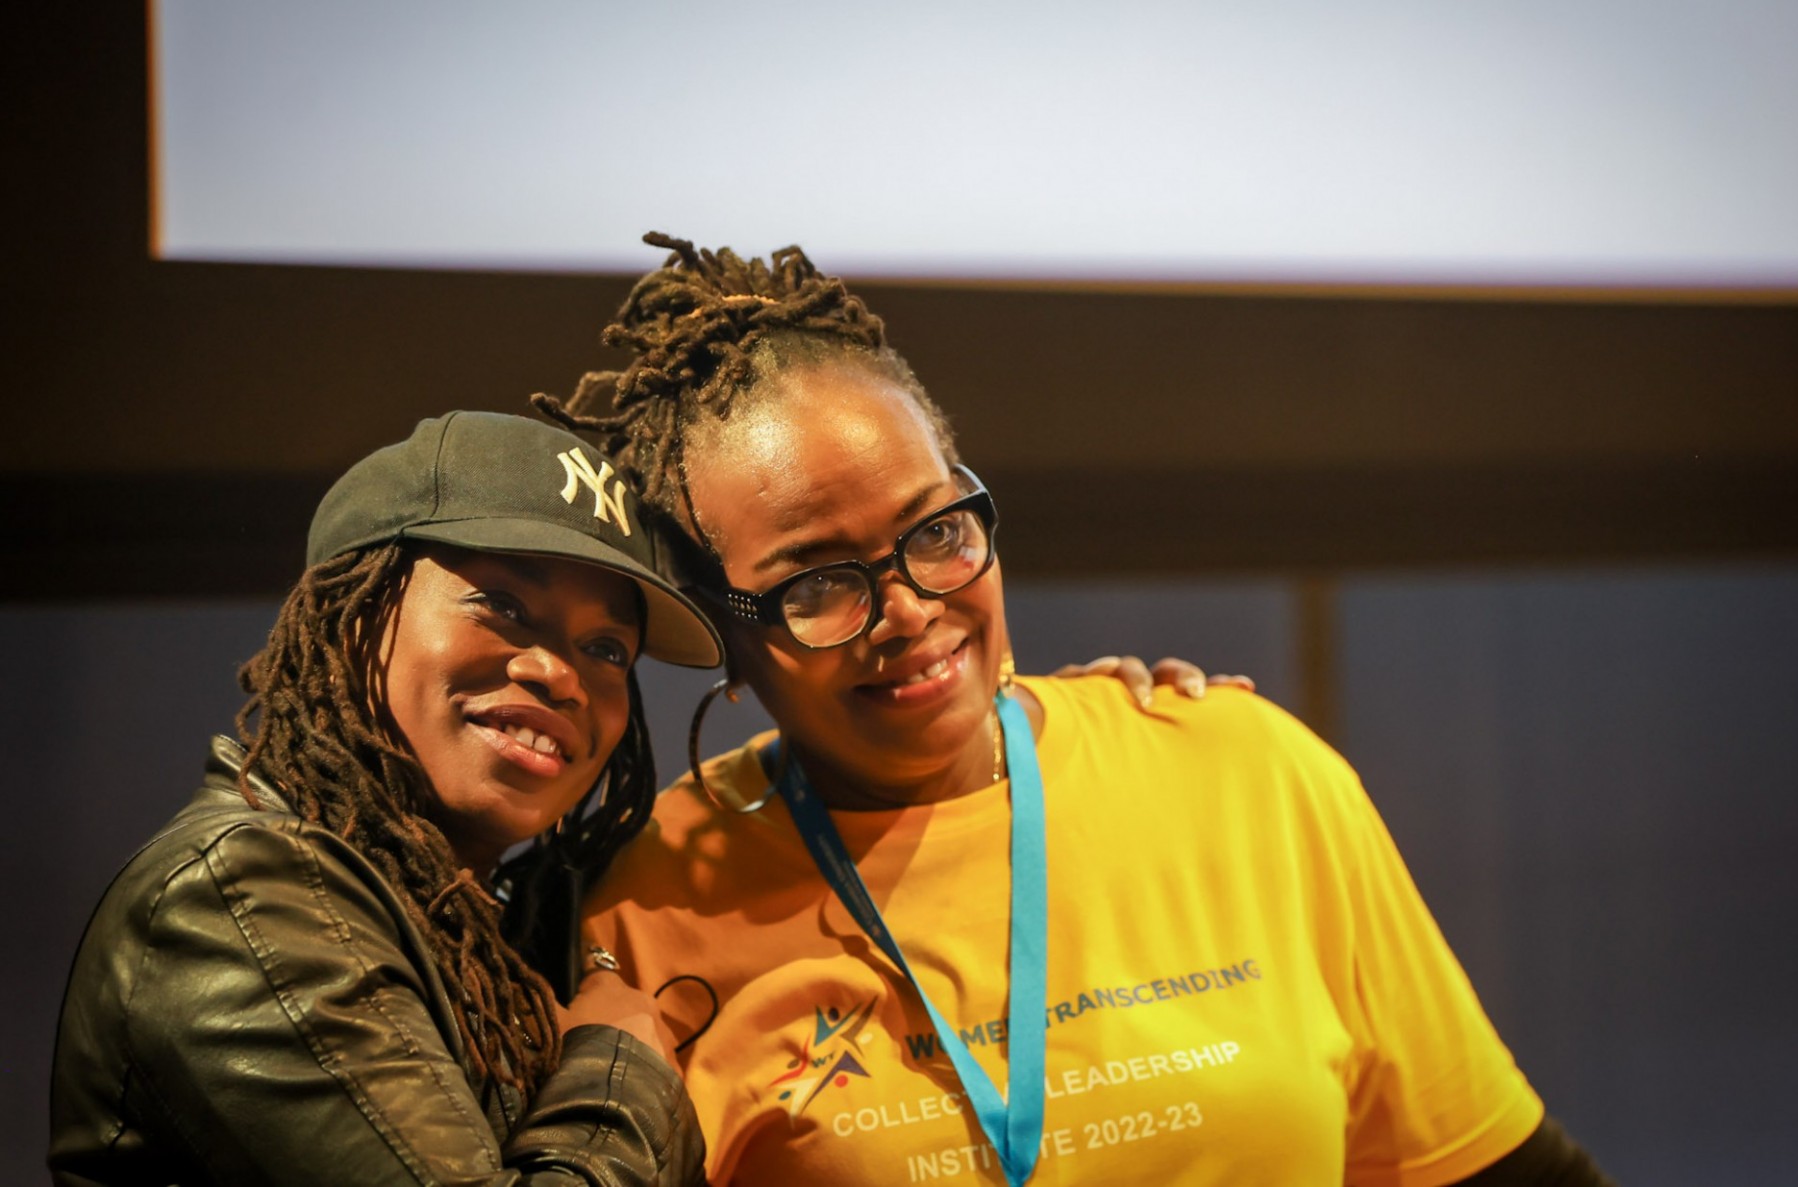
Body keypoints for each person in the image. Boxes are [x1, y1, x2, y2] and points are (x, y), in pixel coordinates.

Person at [541, 234, 1614, 1185]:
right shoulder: (647, 907)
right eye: (816, 581)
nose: (910, 609)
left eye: (937, 530)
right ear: (719, 632)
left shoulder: (1245, 772)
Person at [49, 412, 718, 1185]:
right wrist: (618, 1068)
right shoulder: (240, 893)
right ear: (351, 612)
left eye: (606, 649)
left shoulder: (496, 929)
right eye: (501, 604)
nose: (558, 672)